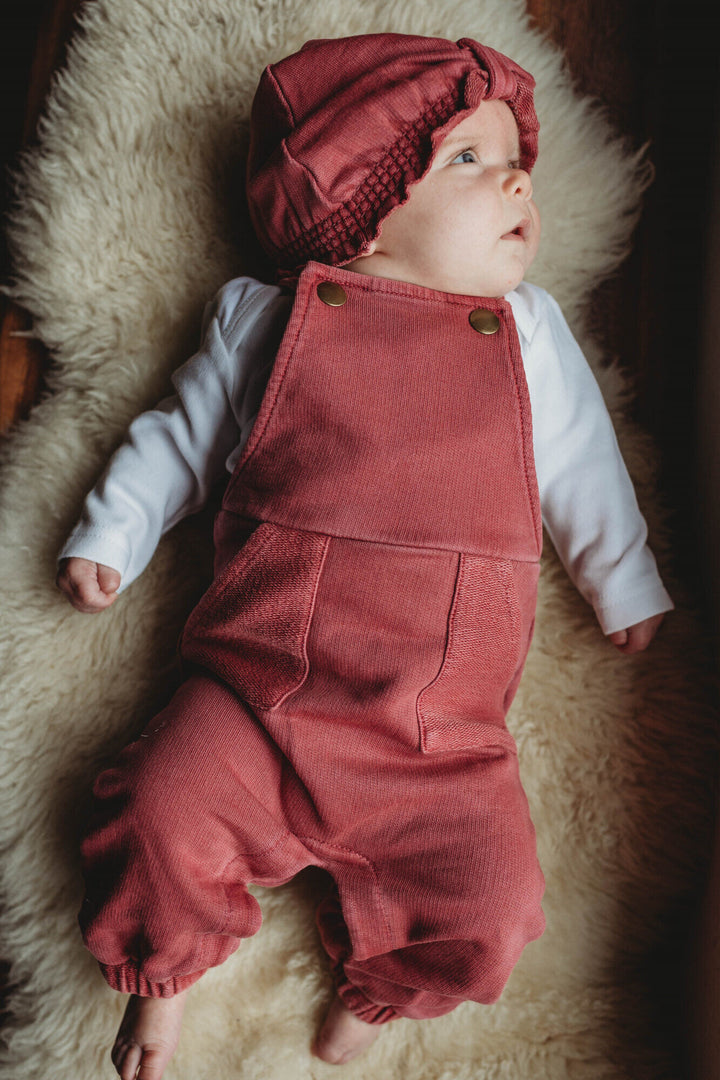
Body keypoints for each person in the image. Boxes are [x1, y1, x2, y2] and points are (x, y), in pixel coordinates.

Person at [56, 33, 673, 1079]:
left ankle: (385, 996)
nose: (519, 175)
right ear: (361, 215)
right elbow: (181, 435)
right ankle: (165, 982)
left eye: (515, 156)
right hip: (257, 696)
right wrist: (115, 528)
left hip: (439, 737)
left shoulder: (525, 332)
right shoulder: (271, 319)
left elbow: (583, 470)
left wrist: (623, 576)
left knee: (495, 902)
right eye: (467, 160)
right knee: (156, 817)